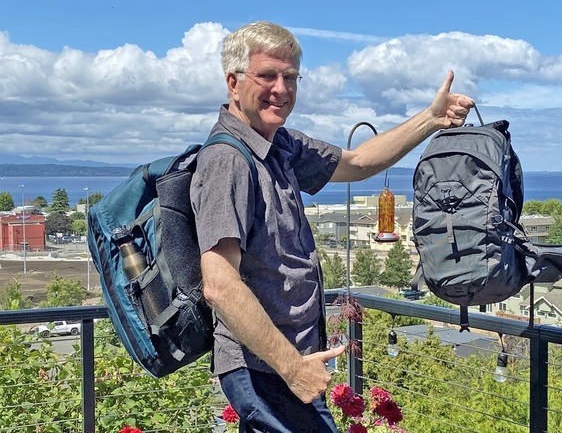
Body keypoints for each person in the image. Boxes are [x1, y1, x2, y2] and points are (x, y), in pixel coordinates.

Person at [191, 21, 473, 432]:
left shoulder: (279, 145)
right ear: (233, 83)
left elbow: (357, 163)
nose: (281, 89)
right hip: (267, 368)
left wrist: (431, 119)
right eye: (267, 75)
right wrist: (292, 368)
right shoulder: (228, 160)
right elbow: (219, 283)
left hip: (285, 366)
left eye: (290, 77)